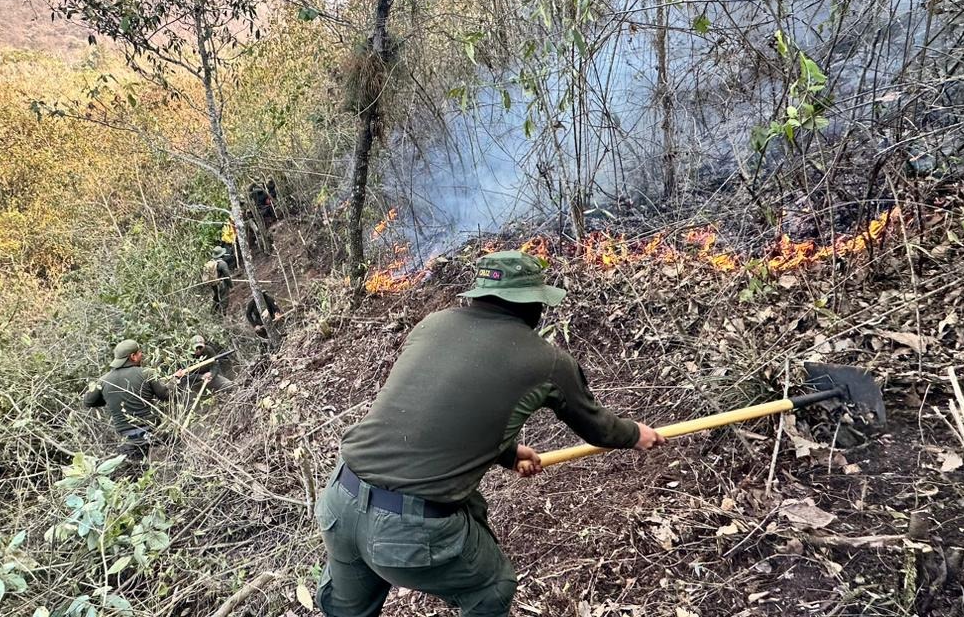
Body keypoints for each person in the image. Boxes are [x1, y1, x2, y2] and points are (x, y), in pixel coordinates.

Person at [313, 251, 665, 617]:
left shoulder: (432, 325)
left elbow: (437, 414)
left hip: (340, 501)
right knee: (492, 587)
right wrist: (635, 434)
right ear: (532, 305)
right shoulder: (547, 361)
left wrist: (510, 454)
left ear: (479, 293)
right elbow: (599, 428)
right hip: (406, 531)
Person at [81, 339, 172, 462]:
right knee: (177, 447)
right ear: (133, 356)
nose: (142, 355)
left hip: (127, 438)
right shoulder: (147, 373)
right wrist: (173, 383)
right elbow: (166, 396)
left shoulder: (104, 380)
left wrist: (107, 398)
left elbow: (88, 401)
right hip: (153, 432)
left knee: (136, 473)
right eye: (140, 353)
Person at [202, 247, 233, 314]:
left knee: (217, 297)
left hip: (214, 284)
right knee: (224, 299)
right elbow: (227, 275)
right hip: (221, 284)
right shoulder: (222, 264)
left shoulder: (212, 262)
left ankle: (213, 313)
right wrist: (231, 285)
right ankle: (222, 314)